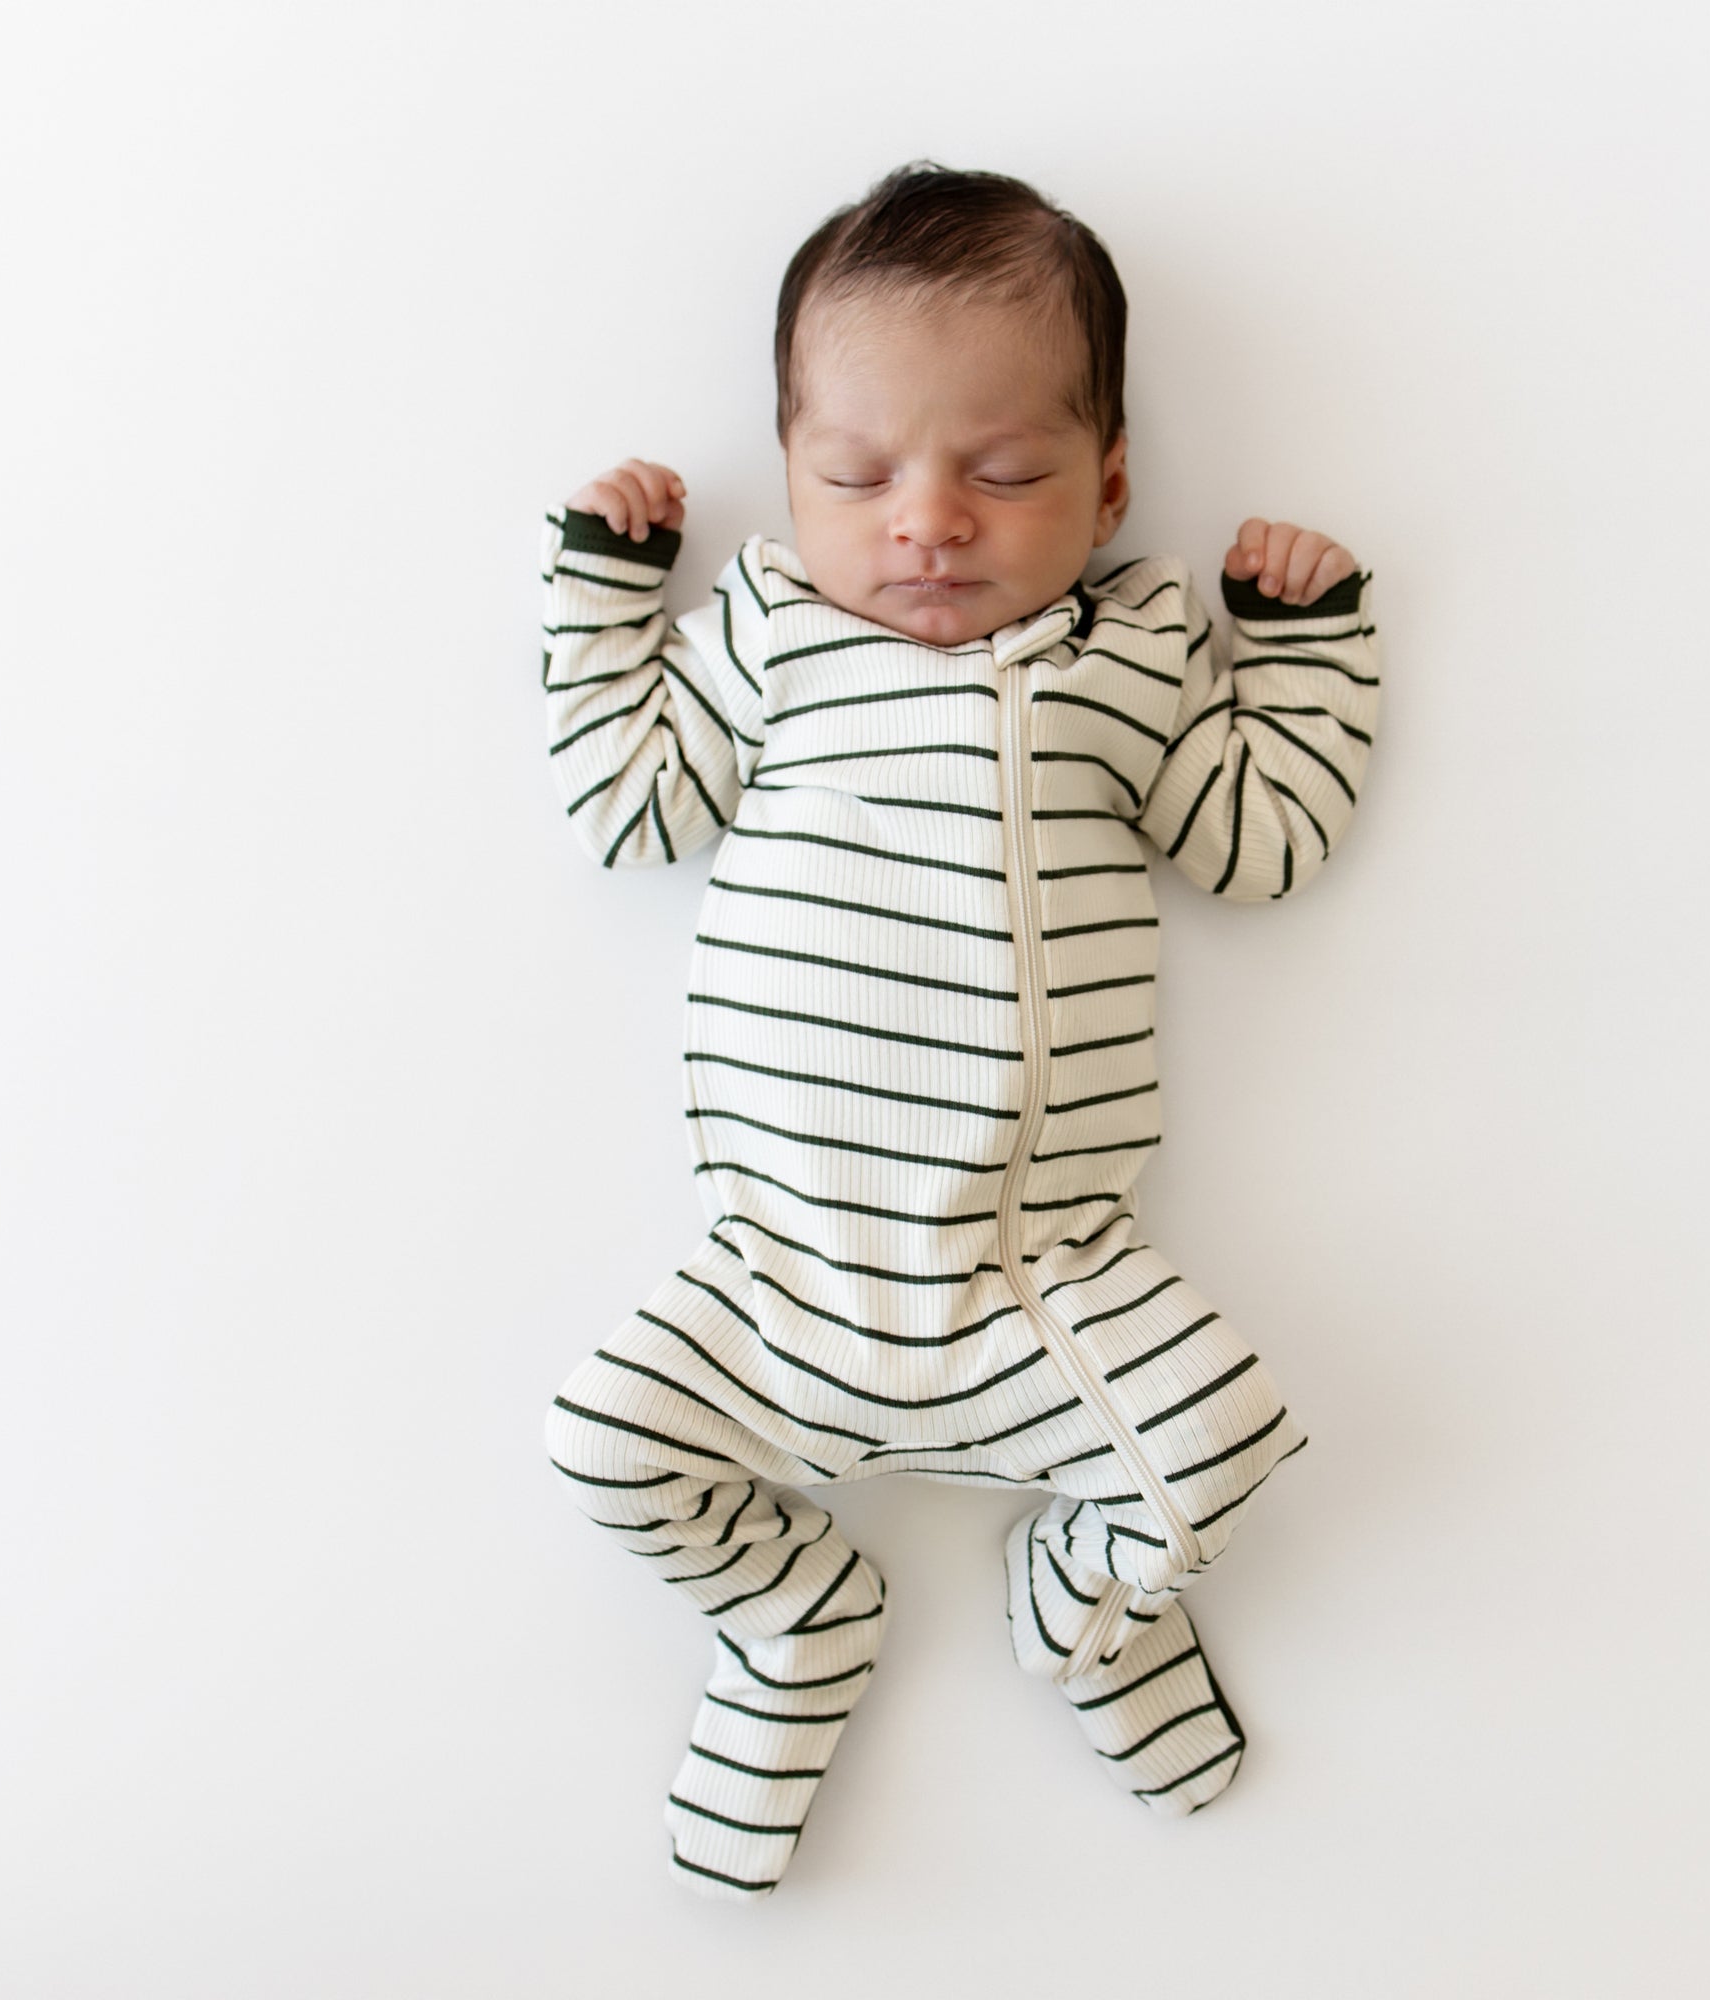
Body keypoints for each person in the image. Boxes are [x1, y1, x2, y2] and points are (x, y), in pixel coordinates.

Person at [537, 160, 1382, 1900]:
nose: (927, 521)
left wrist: (1297, 655)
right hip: (781, 1272)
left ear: (1109, 481)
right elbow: (628, 811)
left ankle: (1078, 1615)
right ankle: (797, 1612)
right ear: (792, 483)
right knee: (601, 1445)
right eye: (856, 477)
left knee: (1221, 1448)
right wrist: (606, 602)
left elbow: (1261, 846)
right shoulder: (771, 631)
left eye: (1004, 474)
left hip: (1040, 1274)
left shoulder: (1130, 648)